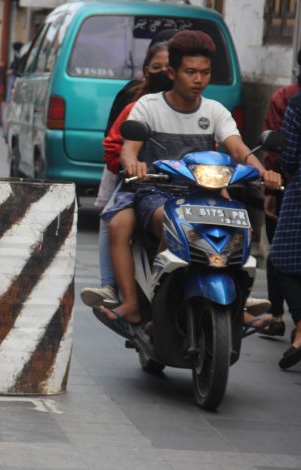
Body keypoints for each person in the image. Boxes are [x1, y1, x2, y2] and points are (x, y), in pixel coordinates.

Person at [94, 30, 282, 331]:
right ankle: (142, 304)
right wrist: (135, 166)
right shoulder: (148, 106)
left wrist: (263, 172)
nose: (199, 80)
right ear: (172, 72)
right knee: (173, 225)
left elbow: (238, 148)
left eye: (205, 73)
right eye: (190, 72)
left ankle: (238, 303)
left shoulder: (215, 111)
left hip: (203, 191)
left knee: (240, 223)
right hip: (155, 192)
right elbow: (128, 151)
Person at [81, 31, 176, 308]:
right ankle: (113, 285)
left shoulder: (206, 110)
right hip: (136, 181)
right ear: (147, 69)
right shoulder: (135, 103)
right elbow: (115, 145)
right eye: (157, 68)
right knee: (113, 220)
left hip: (184, 186)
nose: (164, 74)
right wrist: (129, 163)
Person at [260, 39, 301, 337]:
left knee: (283, 257)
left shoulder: (294, 100)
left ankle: (292, 321)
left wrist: (275, 183)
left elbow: (286, 155)